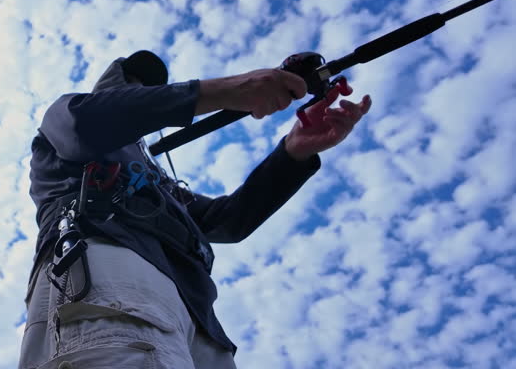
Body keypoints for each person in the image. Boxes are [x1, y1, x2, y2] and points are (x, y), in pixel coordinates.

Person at [18, 50, 372, 368]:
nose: (140, 89)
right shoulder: (68, 119)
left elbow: (228, 221)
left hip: (200, 319)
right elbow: (89, 122)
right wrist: (225, 91)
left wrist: (295, 151)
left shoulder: (162, 185)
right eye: (133, 84)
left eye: (147, 87)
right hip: (105, 261)